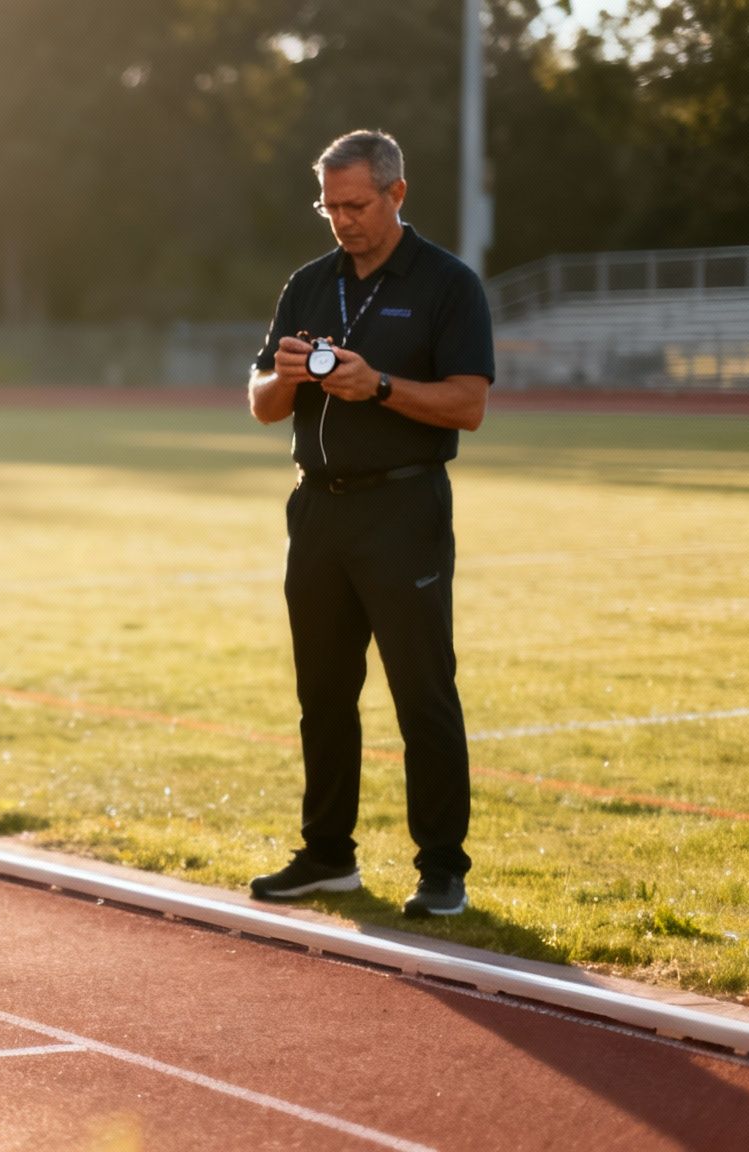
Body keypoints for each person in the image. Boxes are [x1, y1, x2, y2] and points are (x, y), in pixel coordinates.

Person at [245, 129, 495, 918]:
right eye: (329, 207)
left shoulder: (448, 283)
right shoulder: (310, 282)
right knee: (322, 691)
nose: (343, 220)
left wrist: (378, 385)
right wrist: (285, 379)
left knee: (423, 691)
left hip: (404, 507)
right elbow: (259, 402)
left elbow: (469, 404)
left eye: (356, 204)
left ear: (396, 193)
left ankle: (443, 869)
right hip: (317, 507)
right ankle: (327, 856)